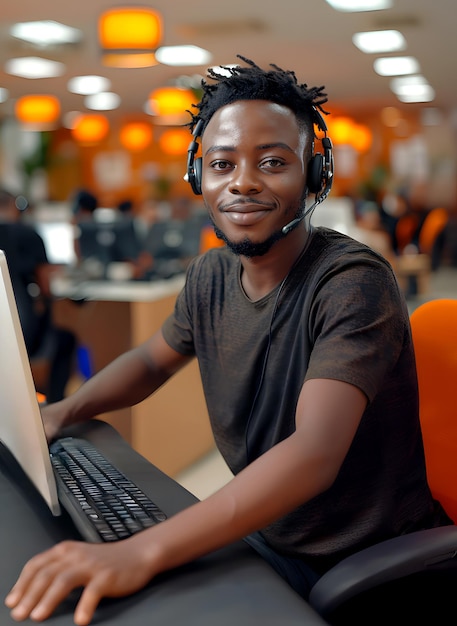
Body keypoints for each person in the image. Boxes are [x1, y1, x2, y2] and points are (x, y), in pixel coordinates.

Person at [5, 56, 452, 625]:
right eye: (222, 163)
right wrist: (63, 412)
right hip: (271, 537)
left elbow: (314, 454)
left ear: (314, 176)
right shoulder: (210, 276)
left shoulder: (352, 283)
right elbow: (149, 361)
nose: (243, 181)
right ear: (199, 178)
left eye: (272, 162)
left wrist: (140, 549)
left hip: (364, 565)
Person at [0, 189, 76, 403]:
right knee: (66, 339)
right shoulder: (27, 233)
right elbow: (45, 284)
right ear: (16, 206)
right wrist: (45, 300)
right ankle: (54, 405)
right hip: (22, 335)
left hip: (5, 338)